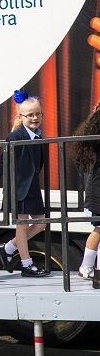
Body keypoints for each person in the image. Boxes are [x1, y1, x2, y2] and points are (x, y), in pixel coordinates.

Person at [0, 90, 51, 278]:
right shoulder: (14, 137)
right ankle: (26, 264)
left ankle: (8, 247)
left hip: (32, 187)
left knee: (41, 223)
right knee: (22, 225)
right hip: (18, 187)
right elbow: (3, 161)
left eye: (37, 114)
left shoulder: (39, 136)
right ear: (20, 116)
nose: (34, 118)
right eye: (30, 115)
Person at [70, 103, 100, 288]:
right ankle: (86, 266)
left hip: (96, 191)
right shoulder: (96, 140)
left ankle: (92, 267)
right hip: (98, 192)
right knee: (98, 230)